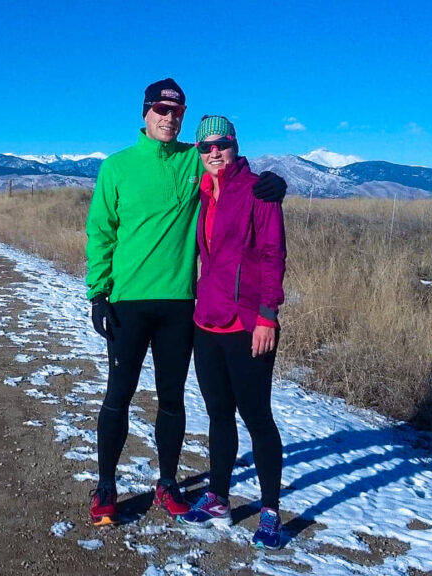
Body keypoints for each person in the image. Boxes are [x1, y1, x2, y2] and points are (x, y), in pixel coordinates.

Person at [85, 79, 287, 526]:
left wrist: (274, 182)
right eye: (161, 110)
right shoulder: (116, 168)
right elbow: (101, 232)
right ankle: (105, 487)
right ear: (144, 113)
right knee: (118, 396)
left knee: (172, 399)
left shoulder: (192, 162)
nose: (169, 118)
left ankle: (169, 483)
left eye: (177, 112)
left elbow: (233, 176)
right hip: (127, 302)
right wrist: (98, 292)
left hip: (180, 304)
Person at [177, 115, 287, 550]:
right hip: (207, 321)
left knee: (257, 417)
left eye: (222, 144)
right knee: (218, 413)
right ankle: (218, 497)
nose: (214, 153)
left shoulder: (258, 189)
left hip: (247, 323)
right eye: (205, 148)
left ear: (236, 145)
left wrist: (267, 314)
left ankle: (270, 511)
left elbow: (274, 254)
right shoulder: (201, 189)